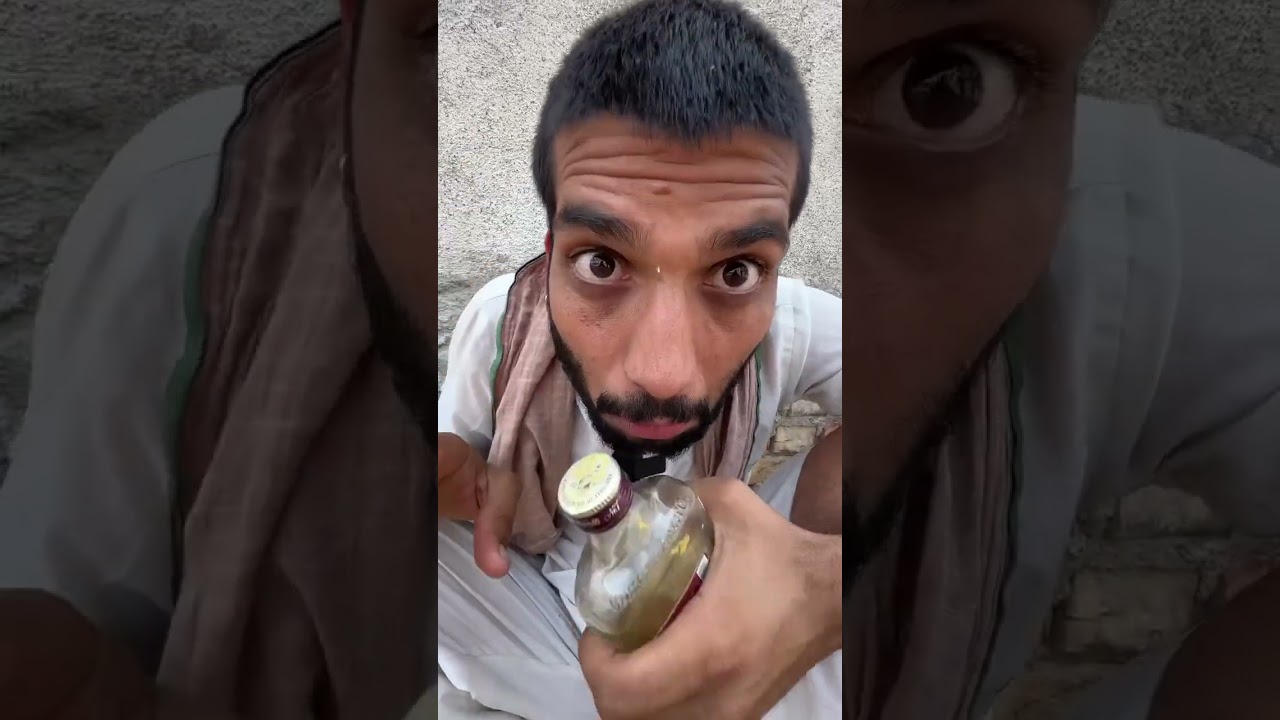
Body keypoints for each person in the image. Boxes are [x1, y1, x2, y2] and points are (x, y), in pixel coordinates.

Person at [0, 1, 1277, 720]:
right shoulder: (203, 237)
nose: (663, 376)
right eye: (491, 36)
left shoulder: (1105, 255)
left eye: (937, 86)